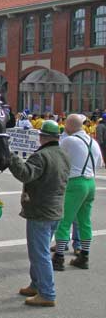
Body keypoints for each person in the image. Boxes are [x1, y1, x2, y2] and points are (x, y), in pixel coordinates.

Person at [8, 120, 70, 307]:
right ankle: (36, 284)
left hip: (40, 211)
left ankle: (47, 293)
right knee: (39, 251)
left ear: (42, 137)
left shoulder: (41, 156)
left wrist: (11, 157)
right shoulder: (63, 154)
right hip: (55, 209)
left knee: (39, 254)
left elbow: (25, 174)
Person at [52, 114, 103, 271]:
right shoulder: (92, 141)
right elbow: (100, 163)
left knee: (64, 219)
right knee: (84, 220)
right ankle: (84, 255)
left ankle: (59, 257)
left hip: (75, 182)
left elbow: (56, 157)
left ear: (69, 126)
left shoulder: (68, 140)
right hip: (90, 182)